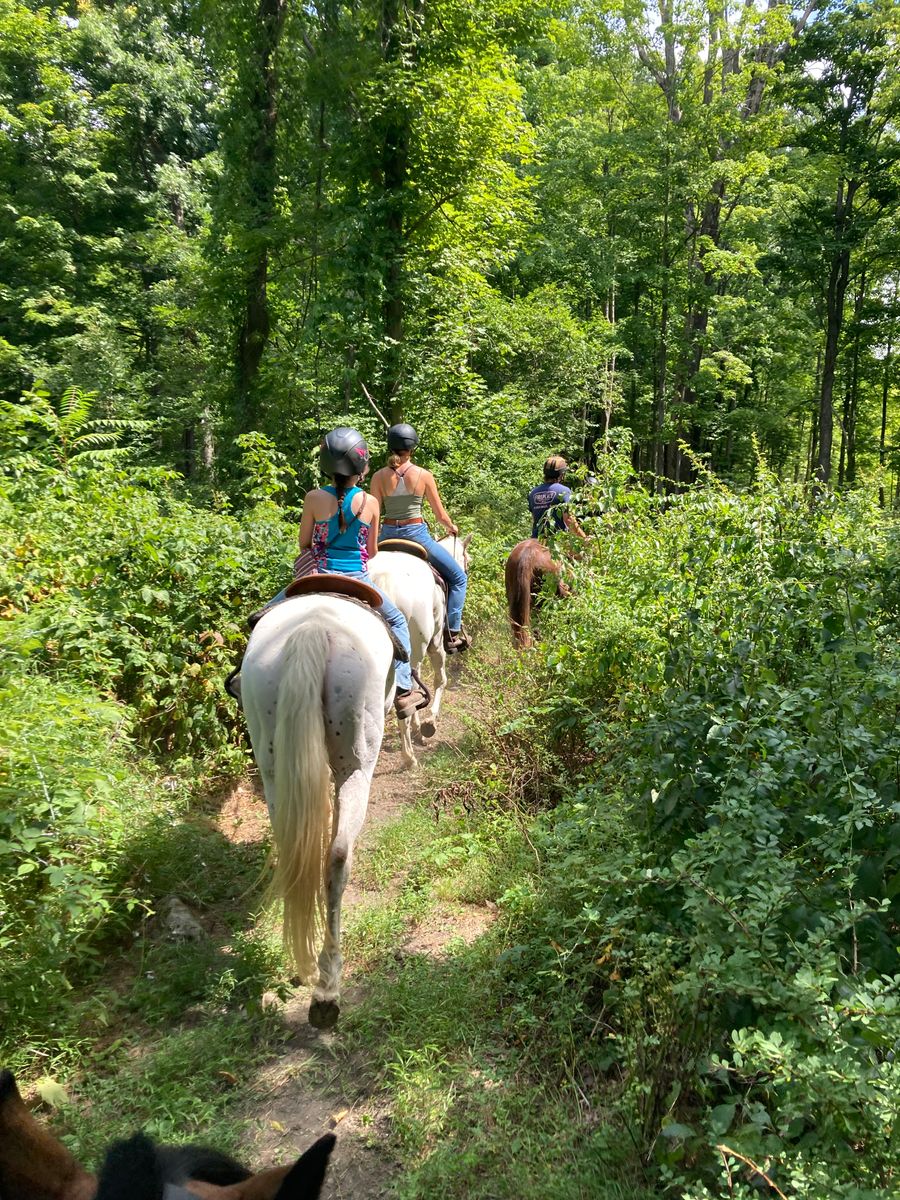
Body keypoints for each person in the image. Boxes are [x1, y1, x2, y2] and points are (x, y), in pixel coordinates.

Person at [294, 427, 428, 720]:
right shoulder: (370, 503)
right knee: (397, 622)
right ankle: (404, 690)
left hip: (316, 575)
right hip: (357, 580)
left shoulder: (313, 498)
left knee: (265, 614)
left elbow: (303, 543)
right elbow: (373, 551)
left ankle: (243, 673)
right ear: (360, 466)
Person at [369, 423, 470, 653]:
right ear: (412, 448)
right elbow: (440, 514)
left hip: (386, 535)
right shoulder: (423, 475)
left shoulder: (378, 477)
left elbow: (374, 512)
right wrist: (451, 527)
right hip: (416, 536)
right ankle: (452, 633)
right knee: (458, 578)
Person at [528, 455, 587, 542]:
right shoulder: (564, 491)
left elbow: (534, 519)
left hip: (536, 539)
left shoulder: (533, 492)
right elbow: (569, 520)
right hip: (558, 541)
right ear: (561, 474)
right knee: (585, 554)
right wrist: (584, 538)